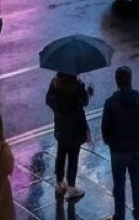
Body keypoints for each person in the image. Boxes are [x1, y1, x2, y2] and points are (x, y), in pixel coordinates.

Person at [100, 65, 139, 220]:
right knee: (136, 178)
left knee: (119, 182)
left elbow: (105, 127)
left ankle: (119, 212)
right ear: (130, 80)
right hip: (135, 147)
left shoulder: (110, 102)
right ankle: (138, 208)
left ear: (117, 81)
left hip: (117, 149)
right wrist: (138, 129)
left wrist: (109, 141)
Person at [45, 70, 91, 201]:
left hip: (61, 126)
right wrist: (88, 93)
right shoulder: (78, 85)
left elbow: (48, 100)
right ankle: (71, 186)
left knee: (61, 154)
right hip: (75, 127)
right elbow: (84, 102)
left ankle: (60, 183)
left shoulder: (55, 83)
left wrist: (58, 110)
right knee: (73, 157)